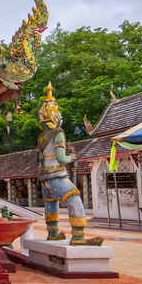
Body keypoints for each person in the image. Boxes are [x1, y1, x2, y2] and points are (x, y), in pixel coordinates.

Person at [36, 83, 103, 246]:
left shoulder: (41, 137)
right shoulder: (58, 133)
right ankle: (78, 236)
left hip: (44, 178)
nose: (61, 119)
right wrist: (71, 158)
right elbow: (61, 158)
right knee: (74, 198)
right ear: (53, 118)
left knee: (51, 202)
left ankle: (52, 233)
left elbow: (38, 159)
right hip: (57, 175)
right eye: (59, 116)